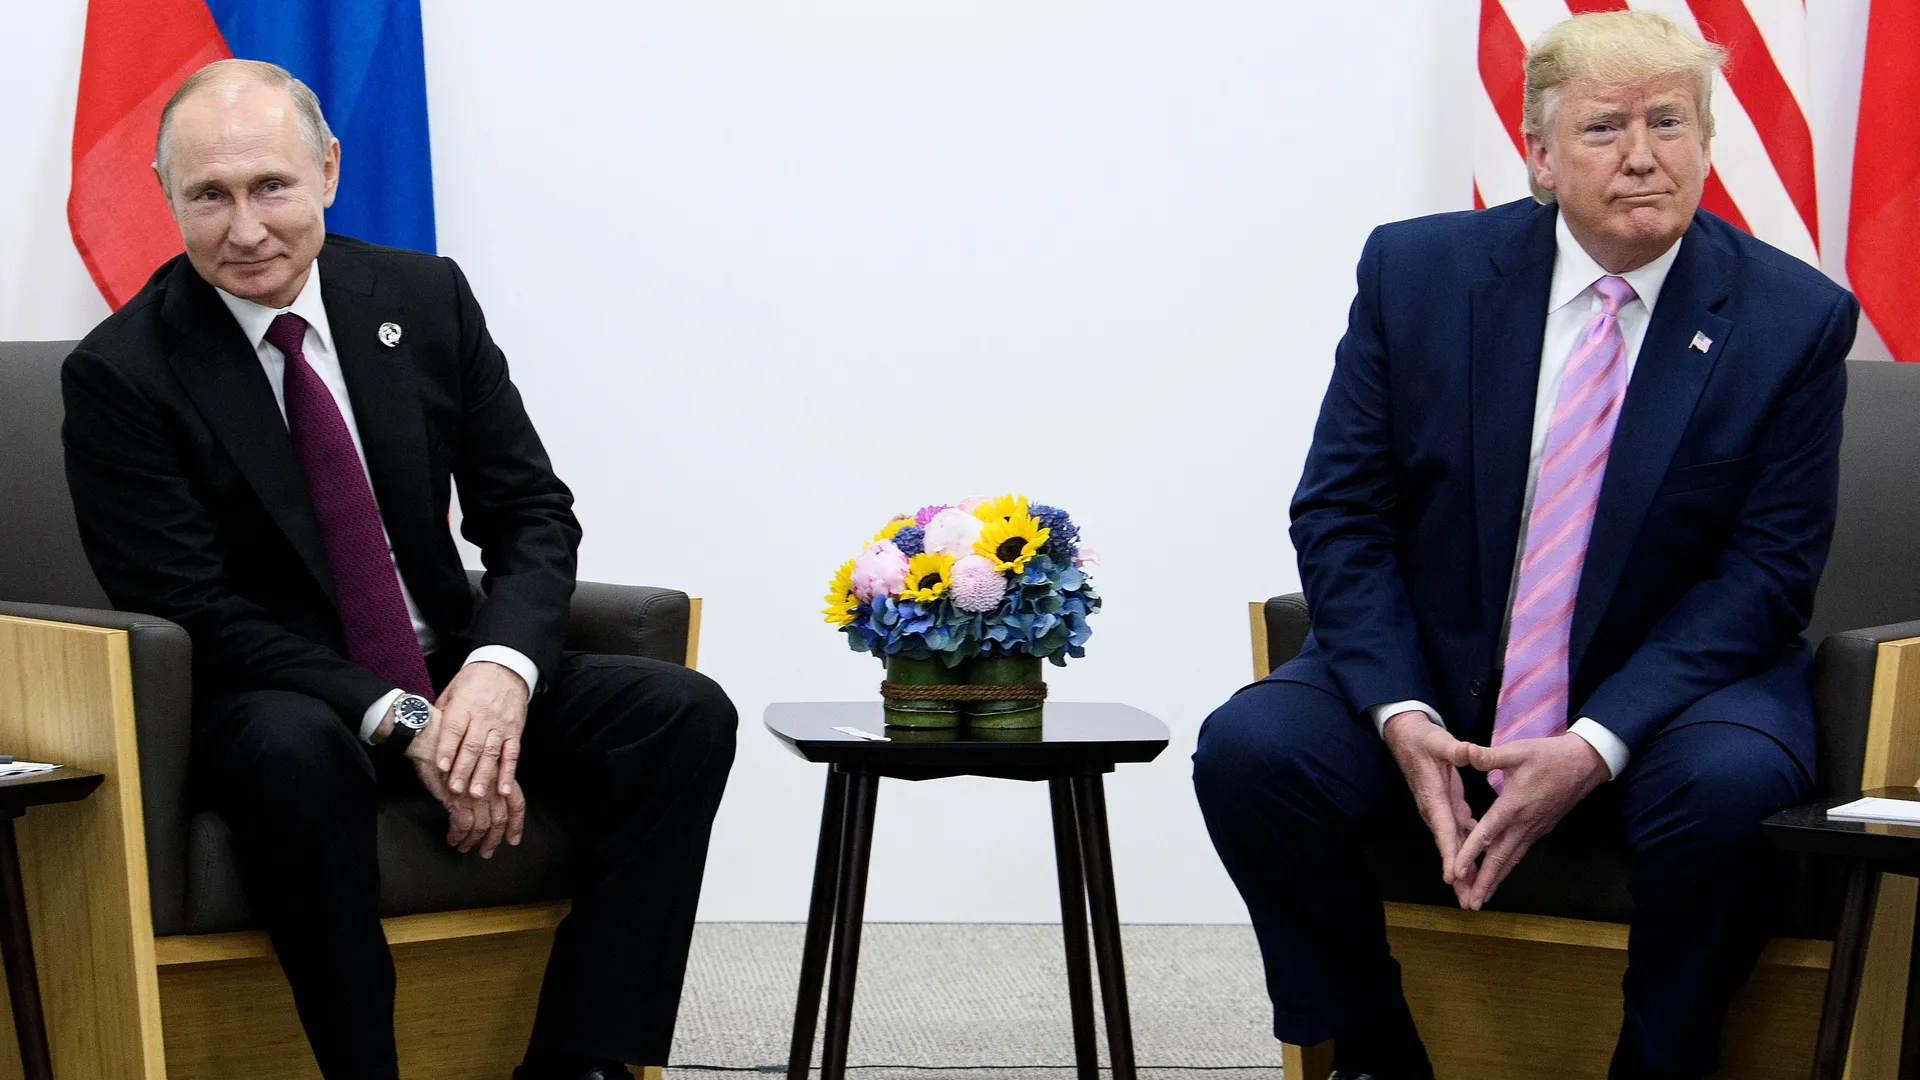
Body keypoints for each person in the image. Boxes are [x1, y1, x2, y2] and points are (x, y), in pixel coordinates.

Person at [1192, 12, 1857, 1080]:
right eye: (1603, 128)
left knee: (1732, 787)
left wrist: (1596, 740)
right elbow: (1341, 512)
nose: (1642, 155)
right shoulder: (1418, 273)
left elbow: (1766, 575)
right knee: (1252, 752)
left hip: (1672, 690)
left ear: (1706, 139)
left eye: (1669, 122)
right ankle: (1372, 1049)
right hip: (1445, 668)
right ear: (1541, 156)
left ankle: (1660, 1063)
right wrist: (1401, 711)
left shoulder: (1793, 319)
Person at [61, 59, 736, 1080]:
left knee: (681, 713)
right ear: (166, 196)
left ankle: (583, 1063)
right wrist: (407, 719)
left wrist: (499, 677)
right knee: (296, 751)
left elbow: (530, 513)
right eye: (209, 196)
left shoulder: (424, 298)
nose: (245, 228)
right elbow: (188, 605)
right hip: (276, 691)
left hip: (445, 661)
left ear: (329, 171)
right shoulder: (122, 372)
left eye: (271, 186)